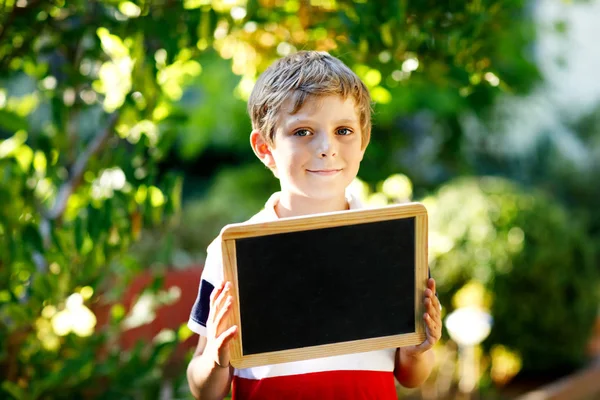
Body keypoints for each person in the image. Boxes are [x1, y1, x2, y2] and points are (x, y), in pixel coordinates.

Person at [186, 50, 443, 400]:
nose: (327, 147)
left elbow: (411, 376)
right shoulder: (232, 251)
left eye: (343, 130)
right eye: (303, 131)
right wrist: (217, 362)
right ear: (265, 147)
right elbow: (204, 388)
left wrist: (417, 350)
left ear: (363, 140)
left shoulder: (394, 243)